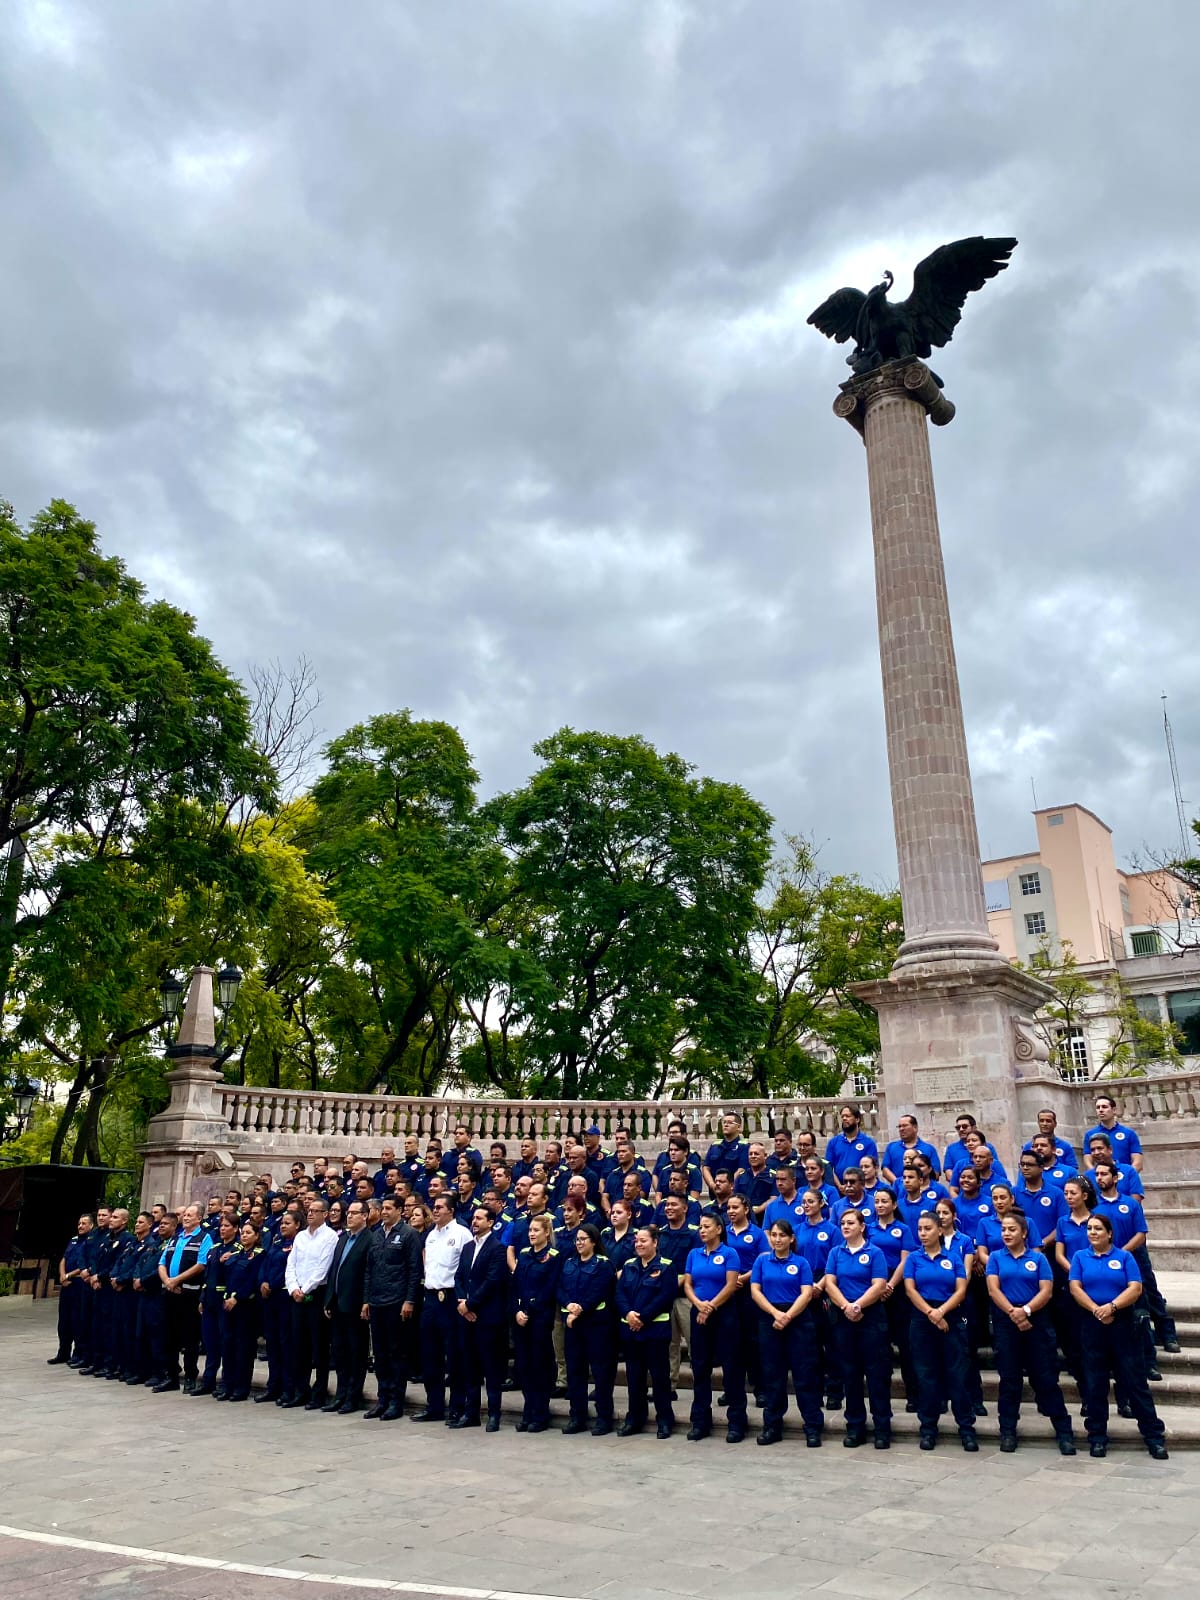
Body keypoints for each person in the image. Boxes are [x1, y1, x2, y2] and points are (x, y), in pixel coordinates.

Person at [1069, 1212, 1169, 1460]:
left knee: (1135, 1382)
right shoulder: (1080, 1257)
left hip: (1122, 1324)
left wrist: (1112, 1307)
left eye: (1098, 1229)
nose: (1093, 1233)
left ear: (1109, 1233)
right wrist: (1097, 1310)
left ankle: (1154, 1437)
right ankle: (1097, 1437)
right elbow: (1075, 1288)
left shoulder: (1124, 1257)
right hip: (1092, 1323)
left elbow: (1135, 1288)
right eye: (1090, 1229)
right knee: (1095, 1384)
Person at [985, 1209, 1077, 1455]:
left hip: (1036, 1320)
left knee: (1046, 1378)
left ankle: (1064, 1432)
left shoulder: (1038, 1259)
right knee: (1009, 1380)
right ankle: (1008, 1431)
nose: (1006, 1233)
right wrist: (1014, 1313)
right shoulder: (995, 1258)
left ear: (1024, 1233)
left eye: (1012, 1229)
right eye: (1004, 1229)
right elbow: (993, 1290)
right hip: (1006, 1321)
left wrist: (1025, 1311)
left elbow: (1046, 1291)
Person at [903, 1212, 978, 1451]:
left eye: (927, 1229)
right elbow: (910, 1290)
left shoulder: (953, 1257)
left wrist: (941, 1312)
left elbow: (960, 1290)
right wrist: (931, 1314)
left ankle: (966, 1428)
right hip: (922, 1318)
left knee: (957, 1376)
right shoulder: (914, 1258)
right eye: (920, 1229)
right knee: (926, 1376)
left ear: (939, 1230)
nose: (923, 1233)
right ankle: (928, 1429)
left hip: (950, 1316)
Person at [749, 1219, 822, 1447]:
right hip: (769, 1318)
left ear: (791, 1239)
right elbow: (755, 1290)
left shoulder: (801, 1262)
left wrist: (788, 1316)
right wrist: (775, 1313)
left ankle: (812, 1426)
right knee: (773, 1375)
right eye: (774, 1235)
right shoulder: (762, 1261)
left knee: (804, 1375)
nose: (777, 1239)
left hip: (797, 1319)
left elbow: (806, 1293)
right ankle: (772, 1426)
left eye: (782, 1235)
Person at [823, 1208, 892, 1448]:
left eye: (851, 1223)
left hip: (870, 1317)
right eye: (843, 1223)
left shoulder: (875, 1253)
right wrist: (846, 1306)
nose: (845, 1226)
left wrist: (858, 1305)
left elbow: (879, 1284)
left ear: (862, 1227)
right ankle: (855, 1427)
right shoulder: (835, 1252)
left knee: (876, 1375)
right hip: (844, 1317)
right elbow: (830, 1283)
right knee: (850, 1375)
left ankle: (882, 1428)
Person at [683, 1212, 748, 1443]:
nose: (702, 1230)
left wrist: (710, 1306)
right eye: (700, 1227)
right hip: (699, 1313)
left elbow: (731, 1285)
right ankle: (701, 1420)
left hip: (724, 1314)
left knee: (732, 1368)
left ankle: (737, 1421)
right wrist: (698, 1304)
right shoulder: (694, 1254)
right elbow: (688, 1284)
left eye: (707, 1226)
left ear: (719, 1229)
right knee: (700, 1368)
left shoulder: (729, 1253)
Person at [363, 1191, 422, 1420]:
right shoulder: (376, 1235)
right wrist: (366, 1299)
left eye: (389, 1208)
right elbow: (369, 1270)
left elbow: (414, 1270)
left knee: (397, 1353)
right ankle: (383, 1398)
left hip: (397, 1302)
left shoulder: (408, 1234)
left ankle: (396, 1401)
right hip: (377, 1300)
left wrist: (409, 1300)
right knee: (380, 1354)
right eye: (383, 1208)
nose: (385, 1212)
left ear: (399, 1210)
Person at [414, 1194, 471, 1423]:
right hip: (431, 1297)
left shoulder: (462, 1234)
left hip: (451, 1298)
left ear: (451, 1210)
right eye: (434, 1207)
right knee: (430, 1355)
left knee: (455, 1355)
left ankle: (457, 1406)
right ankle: (434, 1405)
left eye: (440, 1207)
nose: (435, 1211)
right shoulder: (430, 1236)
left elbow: (466, 1269)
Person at [615, 1225, 677, 1438]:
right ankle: (635, 1418)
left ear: (655, 1242)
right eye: (637, 1241)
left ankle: (665, 1420)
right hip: (631, 1332)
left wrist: (642, 1317)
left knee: (660, 1379)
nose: (639, 1244)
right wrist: (628, 1314)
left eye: (643, 1240)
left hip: (655, 1332)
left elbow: (665, 1297)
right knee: (634, 1378)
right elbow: (620, 1293)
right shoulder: (629, 1265)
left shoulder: (666, 1266)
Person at [453, 1206, 510, 1431]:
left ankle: (494, 1414)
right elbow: (459, 1277)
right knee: (470, 1366)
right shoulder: (468, 1247)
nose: (474, 1221)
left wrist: (470, 1304)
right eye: (474, 1217)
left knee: (491, 1368)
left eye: (479, 1218)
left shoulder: (497, 1248)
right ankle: (471, 1413)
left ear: (491, 1222)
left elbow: (492, 1281)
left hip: (487, 1316)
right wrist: (462, 1302)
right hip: (466, 1316)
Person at [559, 1222, 618, 1435]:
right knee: (575, 1372)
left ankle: (604, 1418)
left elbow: (599, 1290)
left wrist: (580, 1309)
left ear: (593, 1241)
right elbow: (560, 1288)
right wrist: (568, 1305)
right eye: (577, 1239)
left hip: (597, 1325)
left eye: (583, 1239)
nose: (579, 1243)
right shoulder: (569, 1263)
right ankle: (577, 1416)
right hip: (574, 1325)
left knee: (602, 1373)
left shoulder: (603, 1264)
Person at [284, 1196, 338, 1410]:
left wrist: (304, 1289)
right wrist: (293, 1288)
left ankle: (319, 1392)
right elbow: (291, 1264)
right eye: (309, 1210)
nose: (311, 1213)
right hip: (297, 1294)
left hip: (316, 1295)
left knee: (319, 1346)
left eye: (316, 1210)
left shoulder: (330, 1236)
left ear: (325, 1214)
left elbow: (322, 1268)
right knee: (299, 1345)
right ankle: (301, 1390)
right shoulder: (301, 1236)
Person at [512, 1212, 562, 1432]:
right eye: (530, 1230)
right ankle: (528, 1410)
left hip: (540, 1318)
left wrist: (529, 1310)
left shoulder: (554, 1256)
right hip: (521, 1319)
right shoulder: (524, 1254)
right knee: (523, 1366)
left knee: (540, 1366)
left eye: (536, 1230)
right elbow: (515, 1285)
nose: (531, 1233)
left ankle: (540, 1413)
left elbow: (549, 1288)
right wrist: (517, 1310)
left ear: (547, 1232)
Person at [321, 1199, 372, 1413]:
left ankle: (353, 1396)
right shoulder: (342, 1238)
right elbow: (334, 1270)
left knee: (356, 1352)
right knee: (340, 1352)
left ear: (365, 1216)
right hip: (338, 1303)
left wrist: (366, 1301)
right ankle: (341, 1394)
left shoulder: (370, 1239)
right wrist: (328, 1299)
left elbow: (369, 1273)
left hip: (356, 1304)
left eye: (354, 1213)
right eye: (348, 1213)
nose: (349, 1216)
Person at [868, 1188, 916, 1410]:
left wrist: (890, 1284)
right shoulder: (868, 1229)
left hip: (897, 1287)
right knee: (879, 1346)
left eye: (884, 1201)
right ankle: (882, 1394)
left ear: (894, 1205)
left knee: (906, 1344)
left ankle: (913, 1394)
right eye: (877, 1201)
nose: (880, 1205)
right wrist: (879, 1286)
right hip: (874, 1288)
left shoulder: (903, 1229)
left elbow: (905, 1260)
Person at [155, 1204, 211, 1394]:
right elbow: (162, 1262)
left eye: (189, 1215)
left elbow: (201, 1264)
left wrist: (176, 1280)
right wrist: (167, 1281)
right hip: (170, 1293)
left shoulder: (204, 1238)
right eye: (184, 1215)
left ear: (199, 1218)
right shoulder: (175, 1238)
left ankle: (190, 1377)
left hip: (189, 1295)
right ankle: (171, 1376)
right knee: (168, 1336)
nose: (185, 1218)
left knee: (190, 1338)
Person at [221, 1220, 265, 1402]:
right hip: (229, 1306)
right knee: (228, 1346)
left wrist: (237, 1297)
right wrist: (227, 1297)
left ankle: (241, 1388)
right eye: (243, 1233)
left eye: (248, 1233)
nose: (244, 1235)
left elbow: (253, 1281)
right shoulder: (236, 1254)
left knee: (243, 1348)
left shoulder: (259, 1255)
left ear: (256, 1236)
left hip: (246, 1307)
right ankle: (227, 1385)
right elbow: (228, 1278)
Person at [195, 1216, 239, 1398]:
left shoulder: (237, 1249)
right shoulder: (214, 1248)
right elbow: (207, 1275)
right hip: (209, 1300)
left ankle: (227, 1383)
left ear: (235, 1228)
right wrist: (202, 1298)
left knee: (226, 1343)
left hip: (224, 1300)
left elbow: (233, 1276)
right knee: (210, 1342)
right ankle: (208, 1381)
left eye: (227, 1226)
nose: (222, 1229)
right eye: (221, 1226)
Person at [258, 1211, 297, 1406]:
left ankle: (288, 1387)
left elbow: (289, 1270)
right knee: (272, 1342)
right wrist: (263, 1281)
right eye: (282, 1223)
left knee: (285, 1343)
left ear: (297, 1225)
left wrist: (273, 1283)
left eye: (287, 1223)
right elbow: (266, 1263)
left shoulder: (297, 1243)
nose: (283, 1226)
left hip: (284, 1296)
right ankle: (273, 1385)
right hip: (270, 1297)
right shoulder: (277, 1242)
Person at [50, 1215, 92, 1367]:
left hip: (79, 1283)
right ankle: (63, 1352)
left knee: (77, 1319)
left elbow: (85, 1264)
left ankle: (78, 1353)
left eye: (84, 1223)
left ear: (91, 1226)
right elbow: (64, 1259)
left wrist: (69, 1275)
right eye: (79, 1223)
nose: (80, 1226)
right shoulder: (74, 1240)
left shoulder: (91, 1241)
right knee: (64, 1320)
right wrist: (62, 1275)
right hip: (66, 1284)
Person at [1085, 1095, 1143, 1172]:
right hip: (1101, 1177)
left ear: (1114, 1110)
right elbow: (1088, 1162)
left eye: (1104, 1107)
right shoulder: (1090, 1135)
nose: (1100, 1110)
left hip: (1124, 1175)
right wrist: (1097, 1175)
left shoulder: (1129, 1133)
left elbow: (1138, 1163)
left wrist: (1125, 1176)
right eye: (1098, 1107)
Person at [825, 1105, 880, 1186]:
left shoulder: (868, 1143)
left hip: (861, 1188)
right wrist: (840, 1186)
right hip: (838, 1188)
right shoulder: (833, 1142)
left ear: (857, 1119)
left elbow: (872, 1169)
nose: (844, 1118)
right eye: (842, 1116)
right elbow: (828, 1168)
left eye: (847, 1116)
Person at [882, 1115, 940, 1183]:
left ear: (915, 1127)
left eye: (905, 1126)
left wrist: (919, 1184)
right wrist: (900, 1185)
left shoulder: (929, 1149)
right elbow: (885, 1170)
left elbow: (936, 1173)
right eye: (899, 1126)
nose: (901, 1129)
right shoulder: (892, 1147)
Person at [701, 1113, 749, 1193]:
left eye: (730, 1122)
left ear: (739, 1127)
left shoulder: (744, 1146)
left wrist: (727, 1185)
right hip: (715, 1191)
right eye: (724, 1122)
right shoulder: (715, 1146)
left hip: (734, 1192)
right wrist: (712, 1184)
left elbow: (741, 1169)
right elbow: (706, 1168)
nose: (726, 1125)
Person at [1023, 1108, 1080, 1174]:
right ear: (1038, 1123)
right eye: (1041, 1121)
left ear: (1055, 1124)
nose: (1044, 1124)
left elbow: (1072, 1170)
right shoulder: (1028, 1146)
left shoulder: (1065, 1146)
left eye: (1048, 1121)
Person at [600, 1198, 638, 1271]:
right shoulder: (605, 1233)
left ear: (629, 1215)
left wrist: (622, 1273)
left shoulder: (636, 1235)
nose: (614, 1215)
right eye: (612, 1213)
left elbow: (638, 1261)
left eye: (619, 1212)